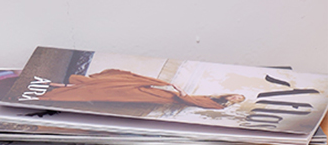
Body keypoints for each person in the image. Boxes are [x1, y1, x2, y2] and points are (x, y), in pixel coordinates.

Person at [40, 68, 245, 110]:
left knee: (116, 91)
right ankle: (65, 85)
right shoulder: (218, 96)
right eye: (237, 94)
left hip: (169, 98)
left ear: (235, 102)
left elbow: (190, 101)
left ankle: (63, 90)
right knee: (119, 83)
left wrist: (181, 92)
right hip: (167, 93)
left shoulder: (220, 106)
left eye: (238, 99)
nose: (235, 97)